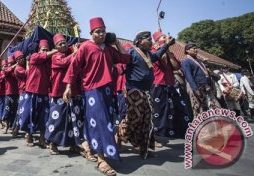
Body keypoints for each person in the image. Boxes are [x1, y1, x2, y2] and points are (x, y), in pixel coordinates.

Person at [63, 17, 130, 176]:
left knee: (106, 122)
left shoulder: (108, 49)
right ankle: (101, 159)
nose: (101, 34)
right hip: (92, 90)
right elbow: (73, 68)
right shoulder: (86, 47)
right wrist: (68, 87)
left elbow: (125, 58)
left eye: (103, 31)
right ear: (91, 33)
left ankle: (101, 153)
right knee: (100, 122)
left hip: (108, 90)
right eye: (97, 31)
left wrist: (117, 43)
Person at [119, 31, 175, 160]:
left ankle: (143, 148)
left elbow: (159, 54)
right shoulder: (132, 53)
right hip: (133, 91)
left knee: (147, 121)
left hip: (146, 91)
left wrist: (166, 45)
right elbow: (121, 61)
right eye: (148, 39)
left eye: (151, 39)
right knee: (134, 120)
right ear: (139, 41)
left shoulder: (149, 55)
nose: (151, 41)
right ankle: (120, 136)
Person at [44, 33, 82, 155]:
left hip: (73, 90)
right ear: (56, 47)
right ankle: (52, 143)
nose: (63, 45)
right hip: (59, 92)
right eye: (60, 44)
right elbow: (65, 62)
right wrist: (75, 52)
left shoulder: (70, 54)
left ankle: (73, 144)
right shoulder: (55, 56)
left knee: (73, 119)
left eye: (64, 42)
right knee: (57, 119)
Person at [150, 31, 190, 141]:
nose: (167, 39)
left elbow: (176, 66)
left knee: (178, 108)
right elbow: (160, 61)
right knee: (159, 112)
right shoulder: (153, 52)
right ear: (157, 41)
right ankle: (155, 136)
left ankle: (181, 132)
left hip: (170, 84)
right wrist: (163, 48)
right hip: (158, 84)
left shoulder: (169, 52)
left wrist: (167, 51)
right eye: (164, 37)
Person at [20, 39, 57, 147]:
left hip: (44, 92)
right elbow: (43, 56)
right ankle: (29, 136)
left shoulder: (49, 61)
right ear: (39, 50)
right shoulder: (34, 57)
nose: (45, 52)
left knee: (44, 116)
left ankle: (42, 138)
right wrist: (55, 51)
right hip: (32, 91)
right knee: (29, 115)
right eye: (43, 50)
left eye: (46, 50)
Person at [181, 43, 220, 118]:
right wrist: (195, 90)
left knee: (214, 106)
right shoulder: (186, 61)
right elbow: (189, 77)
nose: (196, 50)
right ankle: (203, 127)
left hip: (206, 86)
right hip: (196, 87)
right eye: (194, 48)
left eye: (196, 48)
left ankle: (216, 124)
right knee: (200, 109)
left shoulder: (199, 60)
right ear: (187, 50)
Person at [2, 55, 19, 134]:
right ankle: (6, 126)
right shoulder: (6, 70)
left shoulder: (17, 69)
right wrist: (14, 65)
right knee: (7, 110)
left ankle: (14, 127)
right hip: (8, 93)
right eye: (9, 63)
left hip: (17, 93)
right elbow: (5, 72)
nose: (10, 64)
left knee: (15, 111)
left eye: (12, 63)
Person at [12, 50, 27, 137]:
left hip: (25, 91)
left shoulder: (22, 66)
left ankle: (16, 129)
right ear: (16, 60)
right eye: (19, 59)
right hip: (23, 91)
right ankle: (15, 129)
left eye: (22, 58)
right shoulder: (18, 68)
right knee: (20, 112)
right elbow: (27, 73)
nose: (22, 60)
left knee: (20, 111)